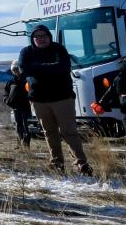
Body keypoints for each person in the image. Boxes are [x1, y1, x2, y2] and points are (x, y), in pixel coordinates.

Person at [18, 24, 91, 176]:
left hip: (62, 98)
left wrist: (37, 68)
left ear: (49, 37)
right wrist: (49, 68)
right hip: (39, 100)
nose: (40, 39)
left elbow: (62, 67)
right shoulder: (26, 52)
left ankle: (82, 164)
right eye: (37, 36)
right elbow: (24, 70)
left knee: (69, 132)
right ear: (33, 39)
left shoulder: (59, 49)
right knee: (49, 132)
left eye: (43, 36)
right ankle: (57, 164)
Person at [3, 61, 32, 150]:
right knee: (18, 125)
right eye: (14, 70)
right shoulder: (10, 82)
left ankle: (26, 145)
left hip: (26, 107)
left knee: (27, 126)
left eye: (17, 69)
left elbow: (32, 92)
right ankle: (19, 144)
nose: (16, 71)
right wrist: (7, 100)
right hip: (15, 107)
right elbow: (6, 93)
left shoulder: (27, 80)